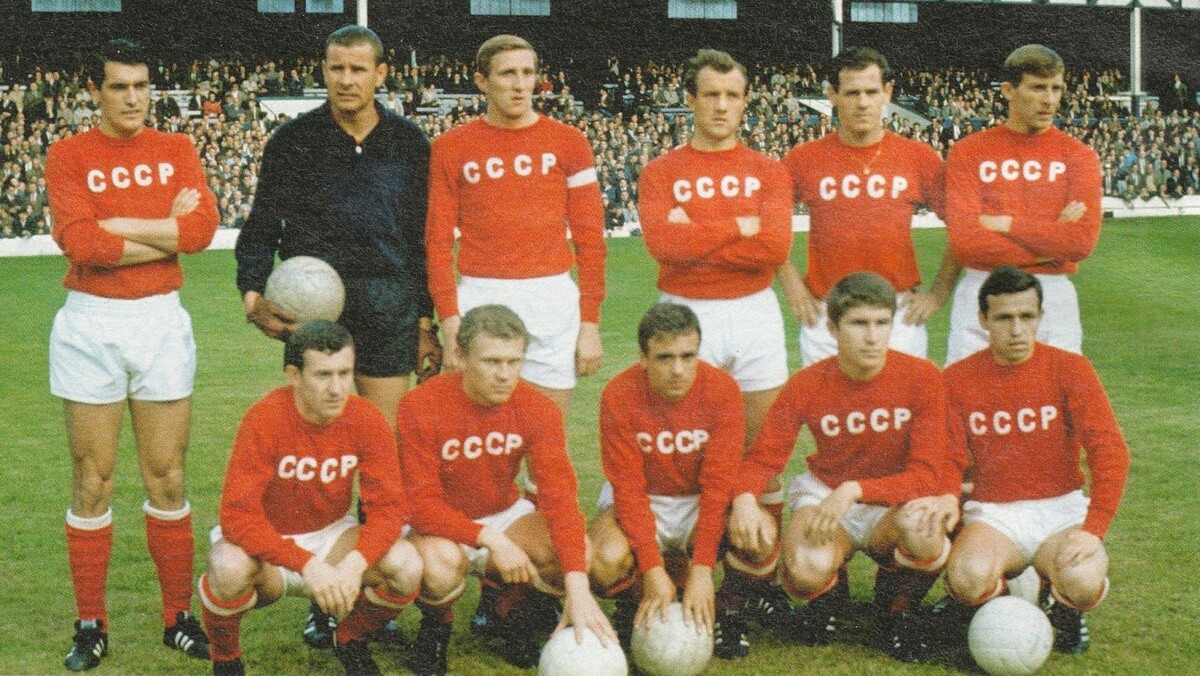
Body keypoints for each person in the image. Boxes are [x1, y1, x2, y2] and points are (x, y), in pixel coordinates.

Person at [234, 25, 439, 644]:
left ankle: (359, 594)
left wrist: (425, 322)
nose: (346, 80)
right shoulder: (293, 141)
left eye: (358, 69)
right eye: (335, 68)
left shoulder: (409, 143)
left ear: (381, 74)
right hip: (316, 313)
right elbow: (262, 225)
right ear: (322, 71)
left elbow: (426, 241)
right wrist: (252, 294)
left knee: (381, 456)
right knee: (318, 451)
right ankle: (317, 585)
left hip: (389, 306)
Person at [45, 38, 218, 671]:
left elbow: (200, 232)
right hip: (91, 323)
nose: (132, 98)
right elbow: (81, 245)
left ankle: (178, 617)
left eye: (141, 85)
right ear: (95, 91)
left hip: (160, 319)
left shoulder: (176, 148)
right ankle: (91, 623)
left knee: (166, 474)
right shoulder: (68, 154)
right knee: (93, 478)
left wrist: (118, 225)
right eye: (118, 86)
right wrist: (163, 232)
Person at [636, 48, 794, 638]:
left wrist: (696, 230)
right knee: (685, 453)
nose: (722, 106)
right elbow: (662, 245)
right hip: (685, 311)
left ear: (746, 101)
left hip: (754, 312)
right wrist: (738, 227)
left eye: (732, 95)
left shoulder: (769, 171)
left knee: (761, 455)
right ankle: (681, 575)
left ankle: (751, 591)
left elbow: (774, 247)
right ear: (691, 100)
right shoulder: (661, 171)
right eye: (710, 95)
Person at [727, 272, 963, 661]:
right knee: (805, 570)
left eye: (882, 323)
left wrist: (855, 490)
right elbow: (764, 457)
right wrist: (744, 498)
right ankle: (830, 595)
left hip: (891, 499)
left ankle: (898, 607)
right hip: (827, 491)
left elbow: (927, 474)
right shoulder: (807, 384)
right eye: (858, 324)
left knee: (924, 529)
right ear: (834, 329)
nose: (872, 337)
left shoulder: (922, 377)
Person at [397, 305, 617, 675]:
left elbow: (560, 499)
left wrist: (579, 588)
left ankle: (512, 611)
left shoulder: (537, 408)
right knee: (438, 565)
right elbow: (420, 505)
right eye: (492, 362)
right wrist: (490, 539)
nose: (504, 375)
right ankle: (435, 629)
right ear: (461, 356)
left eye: (514, 362)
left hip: (502, 511)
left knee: (575, 550)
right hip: (438, 523)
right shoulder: (420, 404)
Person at [199, 321, 423, 676]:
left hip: (330, 535)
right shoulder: (265, 418)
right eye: (323, 375)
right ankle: (226, 659)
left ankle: (349, 639)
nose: (336, 388)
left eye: (344, 373)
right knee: (227, 566)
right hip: (268, 546)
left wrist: (355, 563)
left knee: (407, 564)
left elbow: (390, 510)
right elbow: (237, 516)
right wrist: (305, 564)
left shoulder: (366, 417)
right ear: (294, 375)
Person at [938, 267, 1129, 655]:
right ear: (983, 320)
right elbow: (946, 459)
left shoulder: (1070, 369)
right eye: (1004, 318)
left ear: (1041, 316)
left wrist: (1093, 528)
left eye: (1027, 316)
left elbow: (1110, 450)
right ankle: (994, 609)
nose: (1017, 330)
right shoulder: (957, 378)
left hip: (1060, 510)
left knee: (1083, 581)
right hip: (993, 513)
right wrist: (951, 508)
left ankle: (1064, 608)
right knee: (967, 578)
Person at [425, 34, 606, 416]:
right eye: (507, 73)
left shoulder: (570, 142)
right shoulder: (450, 147)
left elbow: (591, 241)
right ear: (482, 81)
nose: (520, 84)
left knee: (547, 432)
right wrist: (450, 321)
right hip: (481, 294)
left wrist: (590, 324)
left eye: (528, 73)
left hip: (551, 298)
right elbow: (437, 243)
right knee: (479, 433)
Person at [588, 303, 778, 660]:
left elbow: (718, 486)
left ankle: (728, 608)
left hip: (697, 498)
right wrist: (652, 569)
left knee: (759, 535)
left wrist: (703, 571)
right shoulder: (618, 394)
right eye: (665, 358)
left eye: (688, 356)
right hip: (644, 496)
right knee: (601, 559)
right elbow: (628, 490)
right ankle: (634, 604)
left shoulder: (721, 389)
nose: (678, 370)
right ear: (643, 358)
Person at [776, 46, 958, 367]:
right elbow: (766, 225)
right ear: (832, 94)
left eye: (871, 92)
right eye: (852, 93)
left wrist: (938, 294)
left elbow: (963, 224)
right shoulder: (803, 159)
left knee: (901, 399)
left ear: (887, 92)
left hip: (898, 313)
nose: (862, 103)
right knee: (827, 401)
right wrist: (792, 286)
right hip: (827, 312)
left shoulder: (919, 157)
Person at [944, 45, 1102, 365]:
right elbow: (966, 243)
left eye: (1056, 88)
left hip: (1052, 294)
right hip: (982, 287)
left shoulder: (1080, 157)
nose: (1049, 100)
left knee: (1055, 391)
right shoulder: (968, 152)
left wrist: (1007, 224)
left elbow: (1081, 242)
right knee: (968, 392)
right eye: (1038, 88)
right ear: (1008, 90)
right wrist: (1051, 241)